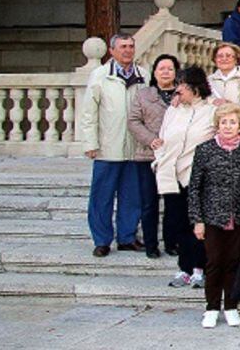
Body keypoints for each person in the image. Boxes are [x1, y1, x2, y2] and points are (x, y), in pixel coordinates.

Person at [187, 102, 240, 328]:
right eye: (224, 122)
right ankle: (212, 307)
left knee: (233, 262)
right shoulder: (204, 150)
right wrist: (197, 220)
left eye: (232, 122)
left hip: (238, 216)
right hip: (212, 217)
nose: (228, 126)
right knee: (214, 262)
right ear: (217, 125)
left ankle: (231, 306)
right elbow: (194, 187)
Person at [82, 33, 146, 258]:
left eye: (130, 46)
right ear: (112, 51)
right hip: (108, 147)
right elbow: (88, 113)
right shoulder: (100, 76)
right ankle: (101, 240)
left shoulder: (144, 75)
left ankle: (127, 237)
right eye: (123, 47)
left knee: (132, 196)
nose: (127, 50)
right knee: (102, 196)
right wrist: (91, 142)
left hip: (135, 148)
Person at [156, 67, 215, 289]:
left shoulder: (210, 110)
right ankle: (184, 268)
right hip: (172, 174)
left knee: (198, 226)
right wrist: (158, 160)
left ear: (194, 87)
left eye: (181, 84)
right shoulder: (173, 110)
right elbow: (162, 138)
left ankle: (200, 268)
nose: (177, 89)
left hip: (197, 177)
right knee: (178, 224)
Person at [126, 53, 179, 259]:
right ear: (154, 72)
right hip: (148, 156)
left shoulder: (183, 94)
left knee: (173, 203)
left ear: (176, 72)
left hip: (174, 157)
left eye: (170, 68)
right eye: (161, 68)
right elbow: (133, 121)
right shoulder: (143, 94)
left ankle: (171, 242)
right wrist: (150, 139)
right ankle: (151, 244)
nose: (166, 72)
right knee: (149, 202)